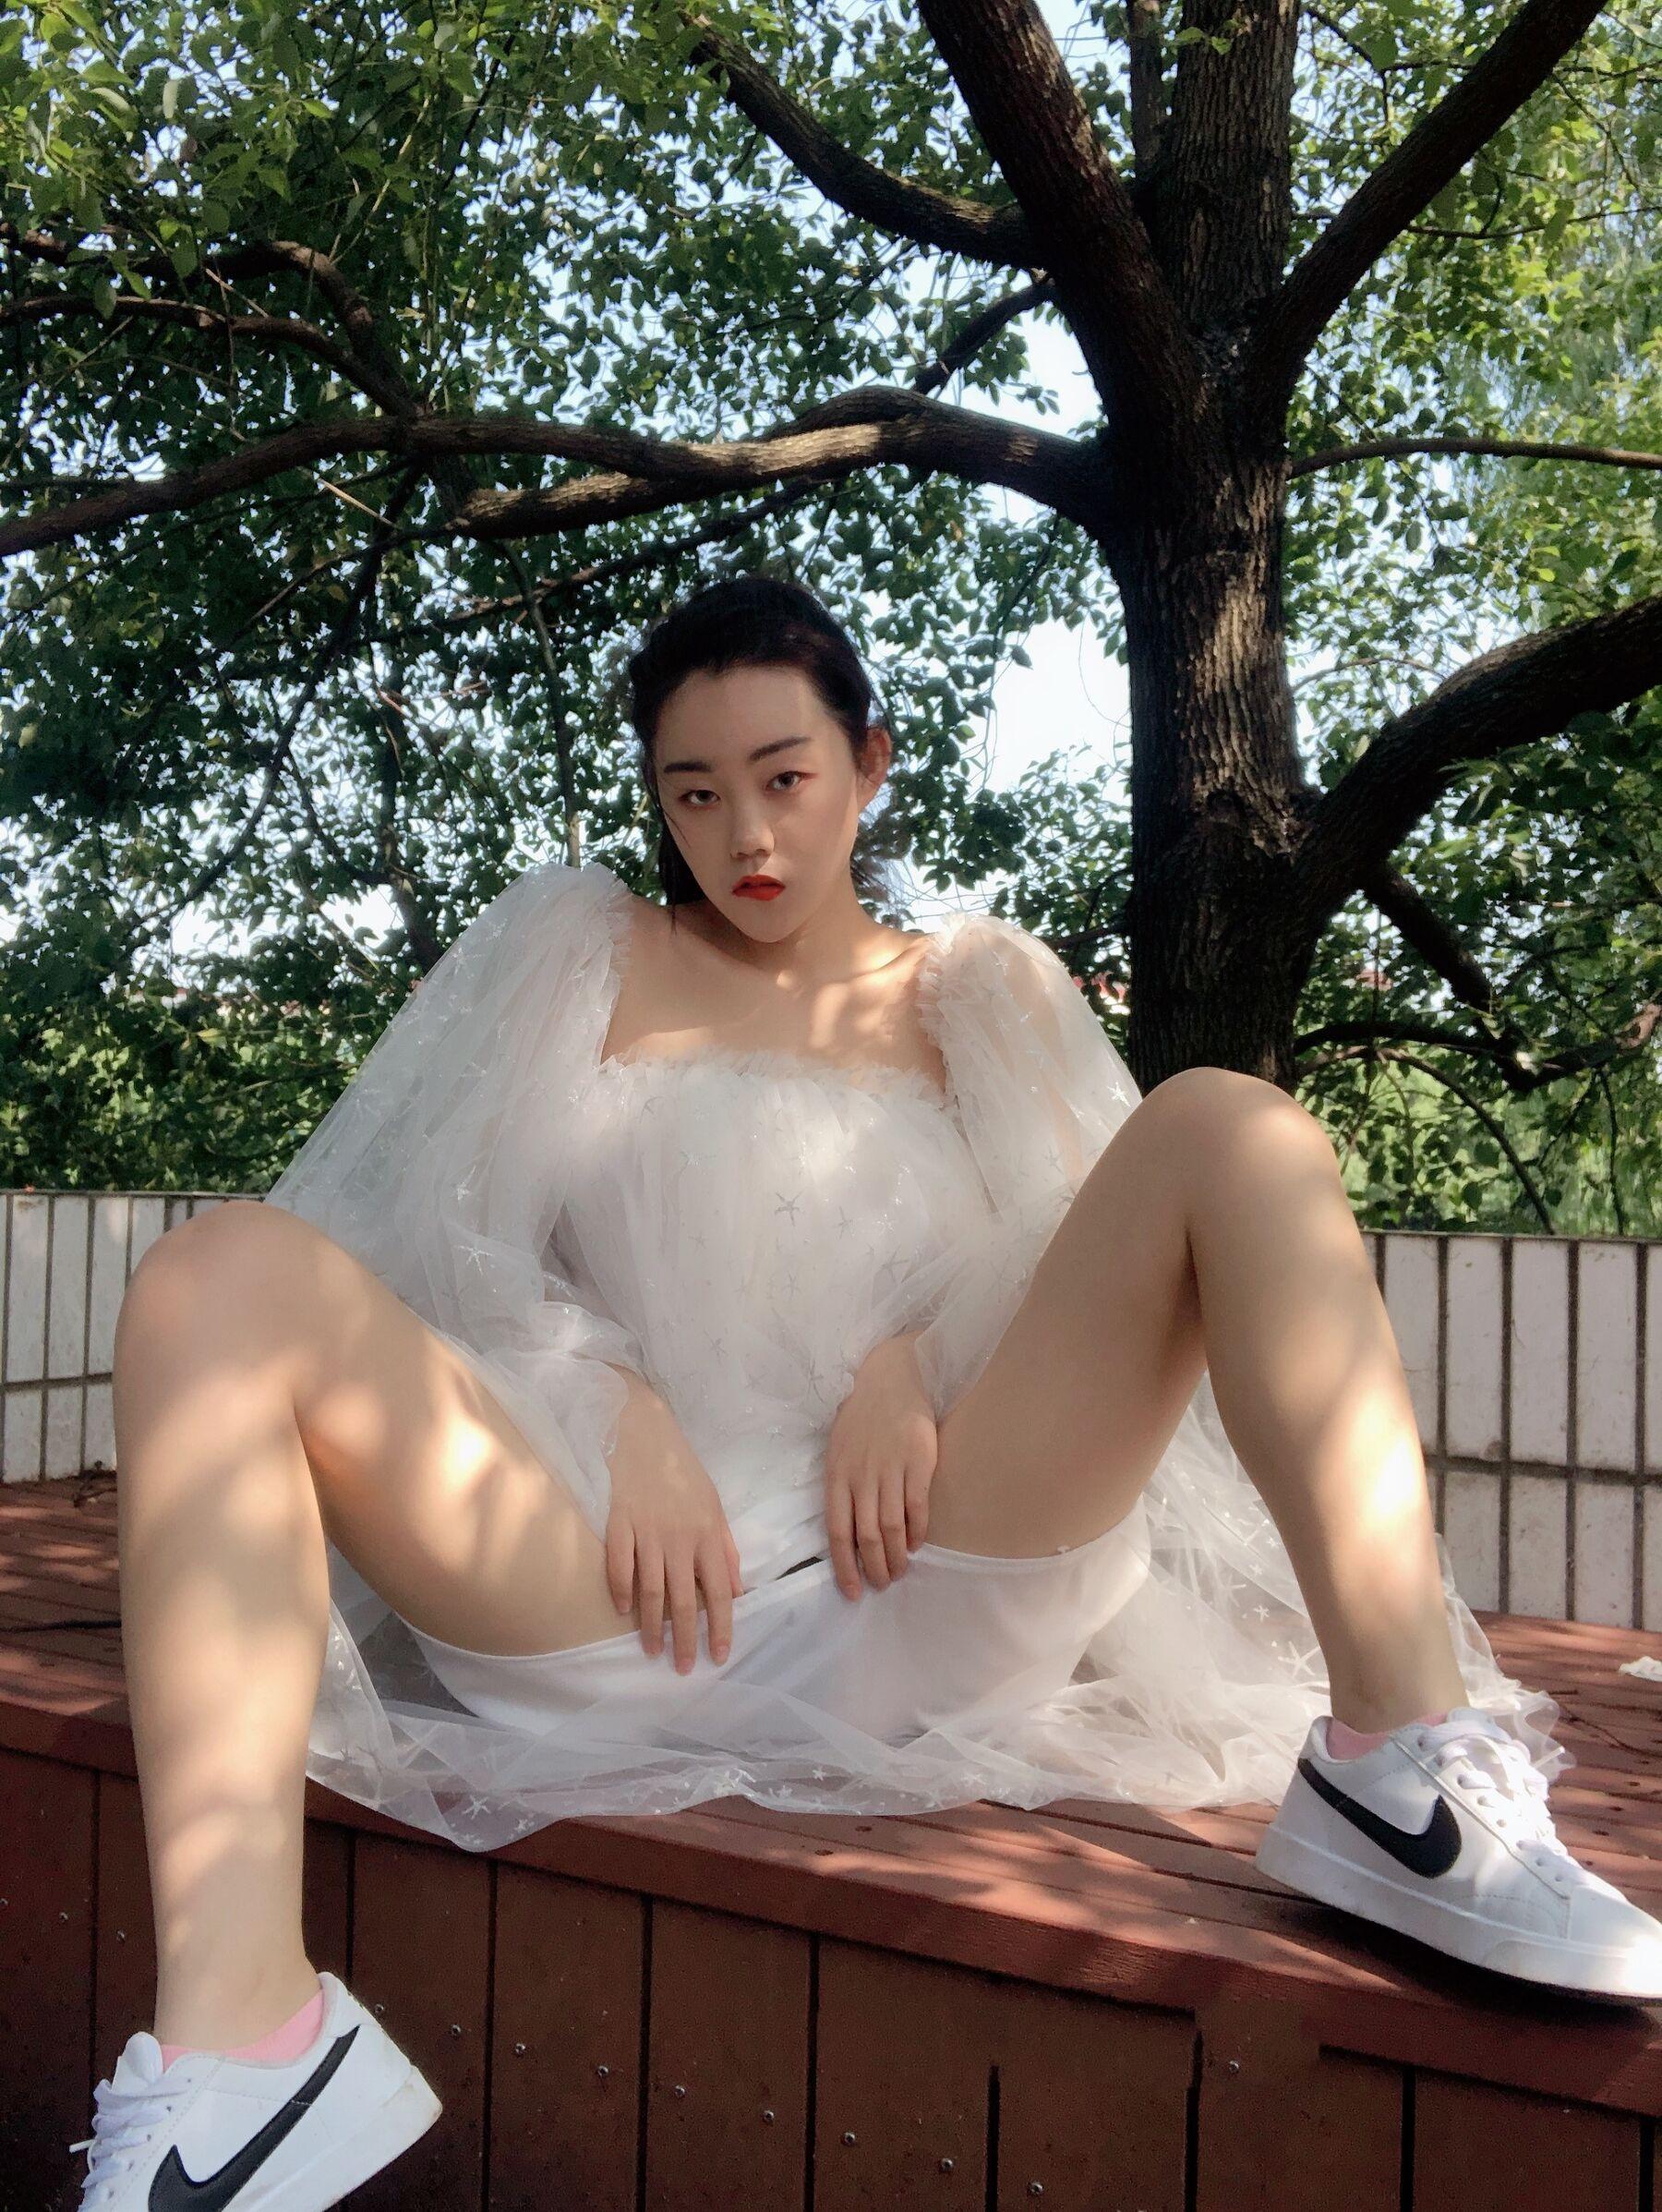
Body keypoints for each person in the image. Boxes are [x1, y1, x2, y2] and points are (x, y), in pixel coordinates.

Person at [71, 574, 1662, 2208]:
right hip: (621, 1583)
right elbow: (447, 1253)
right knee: (214, 1274)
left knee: (1231, 1128)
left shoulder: (976, 992)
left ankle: (1399, 1771)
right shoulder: (582, 958)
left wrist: (908, 1363)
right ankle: (248, 2055)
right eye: (695, 794)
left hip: (932, 1564)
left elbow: (1071, 1259)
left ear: (869, 763)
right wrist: (612, 1401)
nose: (744, 833)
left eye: (784, 776)